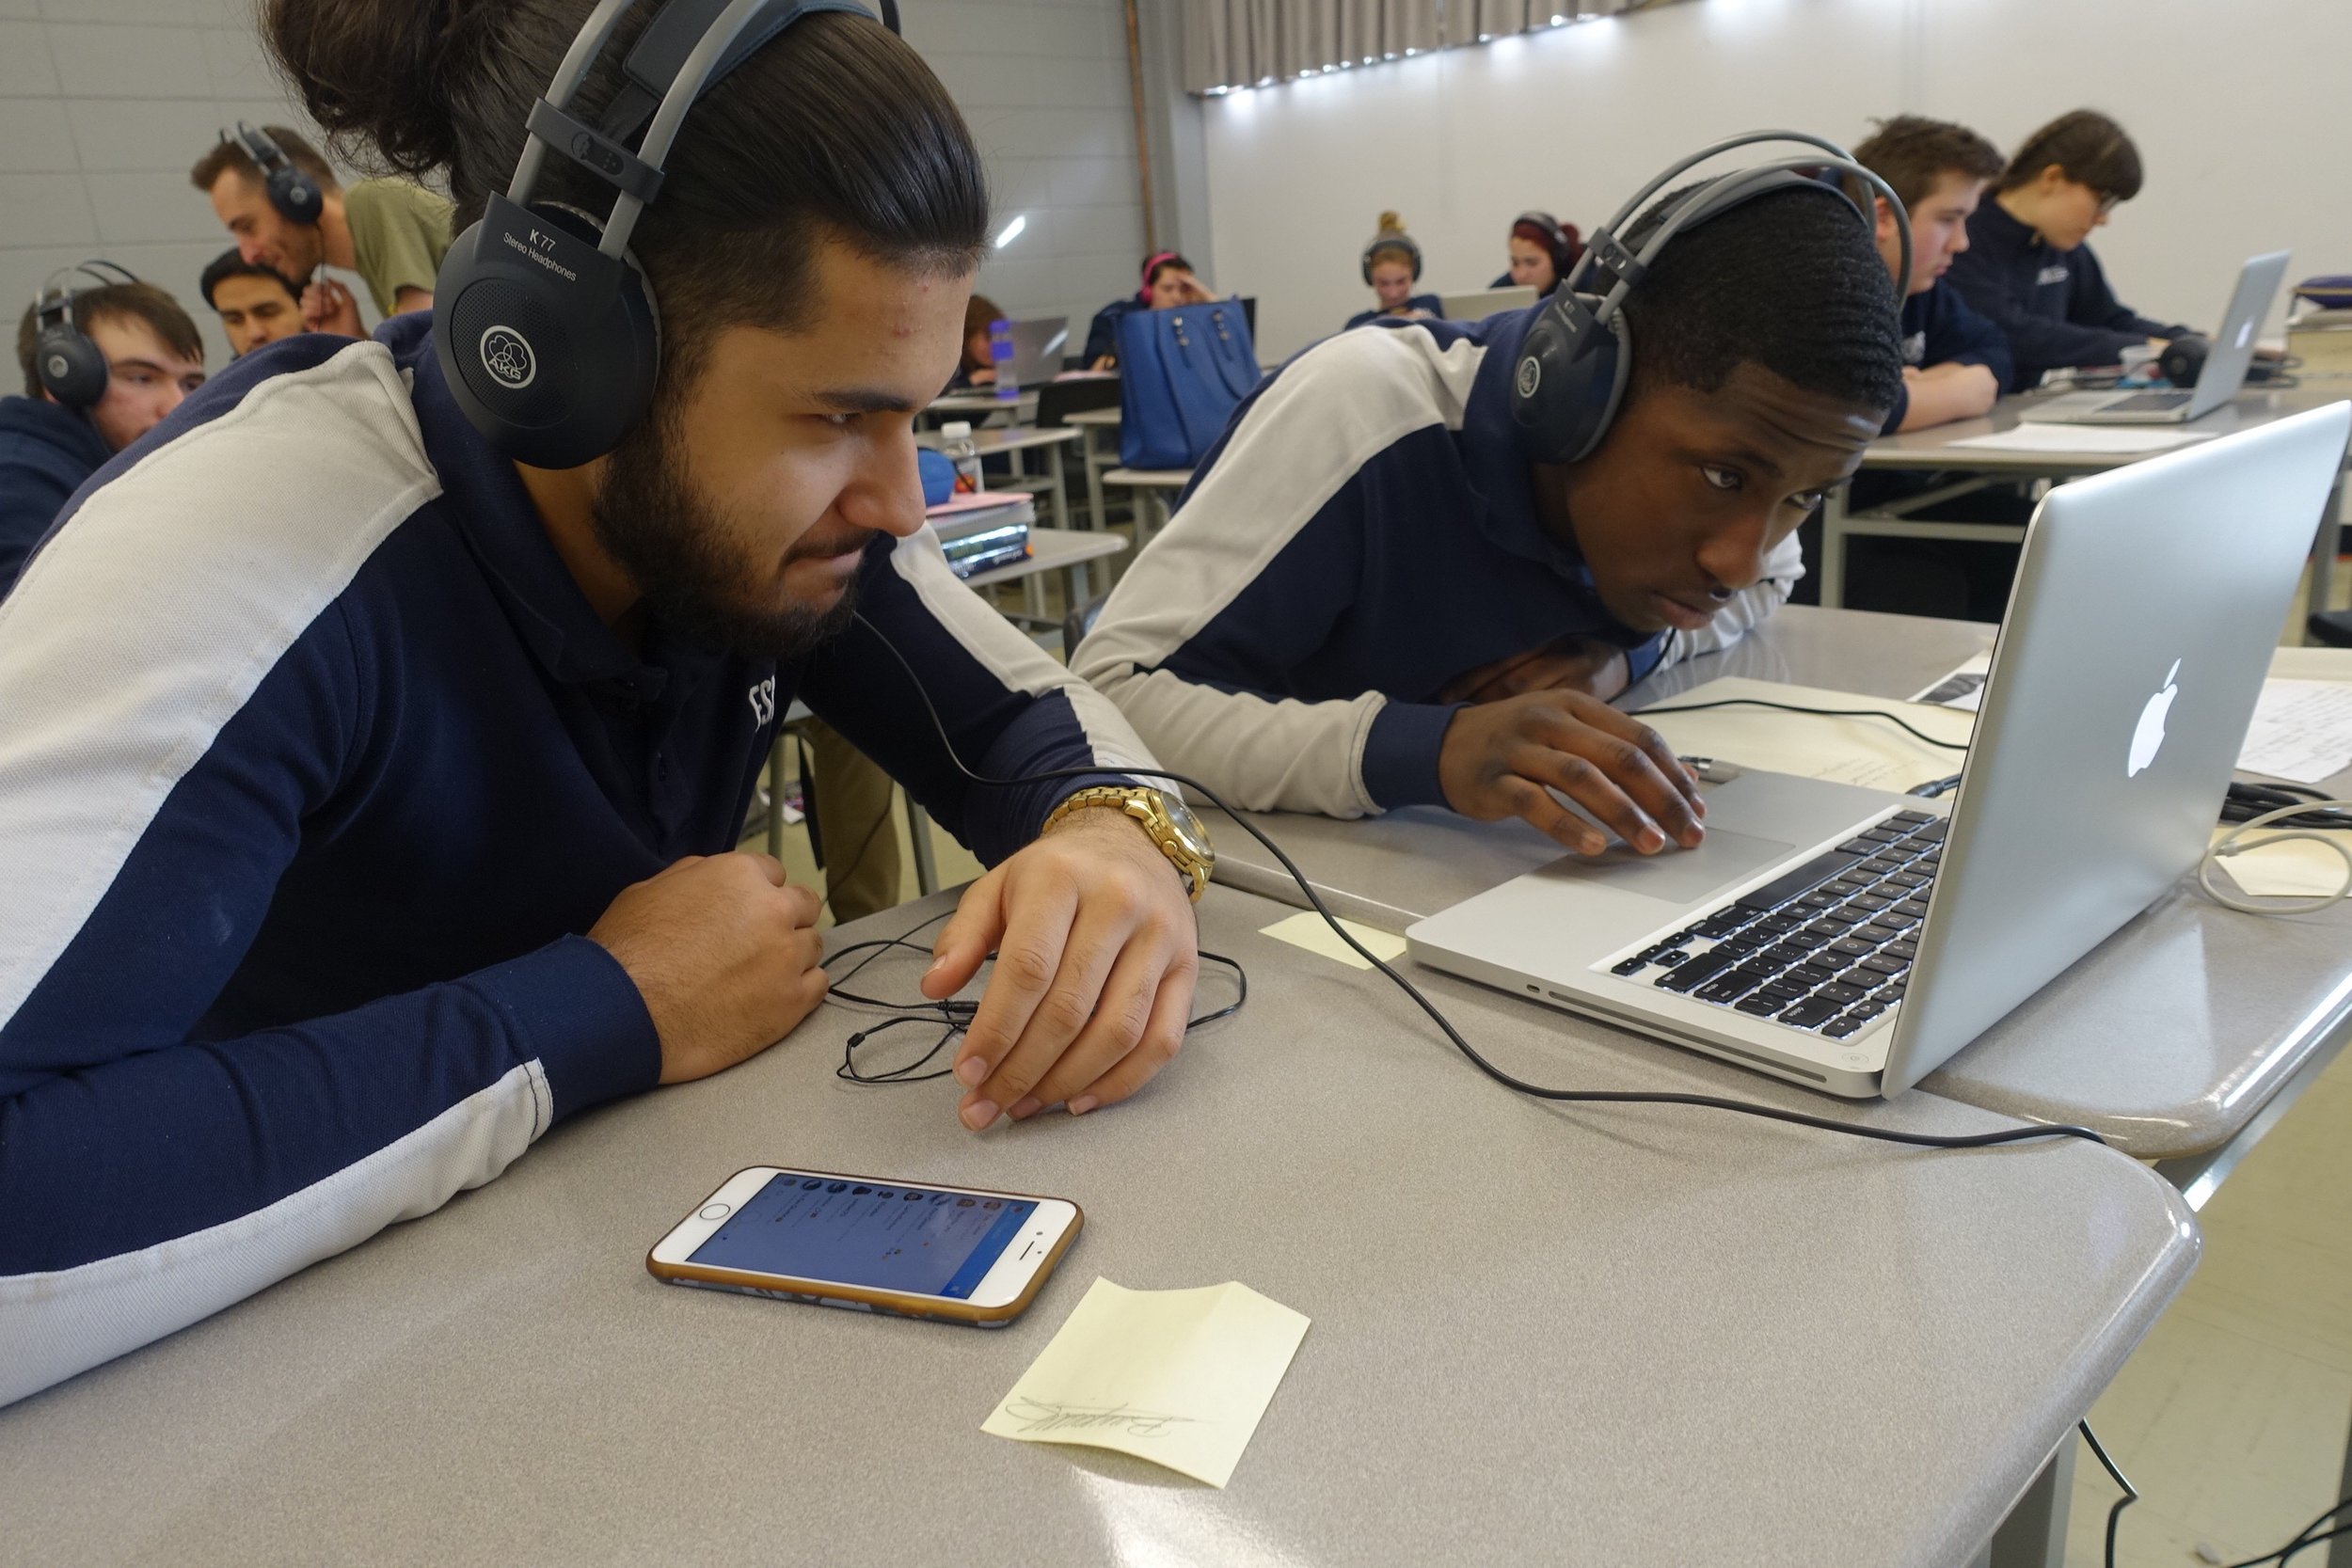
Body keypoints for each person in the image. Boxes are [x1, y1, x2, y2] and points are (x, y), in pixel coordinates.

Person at [0, 0, 1205, 1410]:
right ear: (568, 355)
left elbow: (1029, 723)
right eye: (835, 417)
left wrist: (1115, 845)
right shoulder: (243, 551)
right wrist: (608, 1002)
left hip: (592, 1329)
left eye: (915, 415)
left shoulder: (765, 520)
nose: (899, 499)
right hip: (247, 1402)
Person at [1074, 181, 1901, 853]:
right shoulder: (1364, 408)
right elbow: (1106, 701)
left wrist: (1626, 656)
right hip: (1254, 883)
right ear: (1585, 392)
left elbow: (1773, 584)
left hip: (1451, 875)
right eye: (1723, 476)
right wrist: (1430, 750)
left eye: (1806, 496)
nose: (1740, 561)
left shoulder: (1739, 535)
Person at [1946, 110, 2191, 390]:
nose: (2103, 218)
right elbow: (2015, 333)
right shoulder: (1964, 239)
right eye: (2102, 200)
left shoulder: (2063, 247)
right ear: (2052, 178)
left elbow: (2109, 319)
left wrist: (2187, 341)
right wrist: (2147, 348)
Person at [2, 267, 204, 597]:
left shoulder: (117, 473)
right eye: (141, 378)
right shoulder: (19, 482)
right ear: (62, 383)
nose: (177, 406)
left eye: (191, 384)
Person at [190, 123, 454, 338]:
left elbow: (429, 360)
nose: (248, 256)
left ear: (294, 196)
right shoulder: (373, 253)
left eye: (248, 227)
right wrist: (354, 340)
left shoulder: (372, 203)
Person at [1084, 251, 1215, 370]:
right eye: (1167, 289)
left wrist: (1208, 299)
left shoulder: (1195, 320)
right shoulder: (1115, 316)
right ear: (1148, 291)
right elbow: (1094, 374)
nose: (1177, 297)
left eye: (1184, 289)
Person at [198, 250, 310, 357]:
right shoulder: (225, 378)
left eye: (267, 313)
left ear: (306, 307)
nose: (254, 333)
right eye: (234, 320)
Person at [1346, 213, 1441, 330]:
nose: (1393, 293)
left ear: (1414, 274)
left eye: (1401, 282)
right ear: (1370, 278)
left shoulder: (1430, 305)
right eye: (1384, 283)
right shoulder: (1358, 324)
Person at [1490, 211, 1581, 296]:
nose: (1522, 275)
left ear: (1556, 260)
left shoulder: (1586, 285)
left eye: (1532, 263)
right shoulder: (1499, 291)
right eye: (1515, 263)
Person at [952, 292, 1004, 387]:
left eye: (999, 338)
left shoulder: (1004, 368)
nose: (994, 346)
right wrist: (974, 379)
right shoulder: (951, 368)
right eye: (988, 338)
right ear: (967, 336)